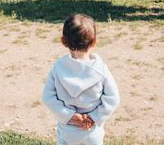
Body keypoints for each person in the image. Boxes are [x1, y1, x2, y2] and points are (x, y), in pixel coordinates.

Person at [42, 13, 120, 145]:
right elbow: (113, 98)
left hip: (67, 129)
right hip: (92, 130)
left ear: (63, 41)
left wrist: (69, 116)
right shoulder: (100, 69)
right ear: (94, 41)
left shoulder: (58, 67)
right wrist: (94, 117)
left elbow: (47, 97)